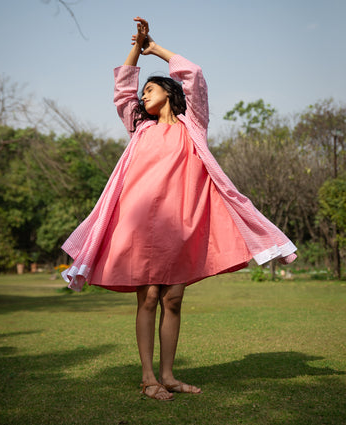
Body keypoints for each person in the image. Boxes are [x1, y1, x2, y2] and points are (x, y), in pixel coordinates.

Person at [61, 17, 297, 401]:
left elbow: (195, 75)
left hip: (179, 224)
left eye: (151, 89)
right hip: (138, 224)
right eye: (144, 91)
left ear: (169, 94)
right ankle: (148, 378)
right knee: (148, 297)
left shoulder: (193, 126)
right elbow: (123, 91)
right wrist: (137, 48)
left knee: (173, 297)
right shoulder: (140, 125)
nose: (143, 95)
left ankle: (168, 376)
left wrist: (156, 49)